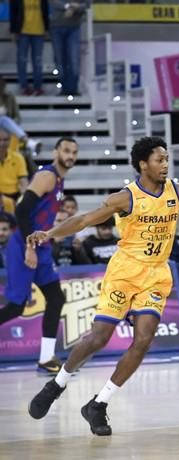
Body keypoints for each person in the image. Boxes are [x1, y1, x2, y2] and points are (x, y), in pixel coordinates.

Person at [26, 136, 179, 436]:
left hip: (156, 274)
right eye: (159, 159)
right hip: (125, 272)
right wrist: (49, 233)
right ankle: (57, 384)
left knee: (143, 341)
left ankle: (98, 404)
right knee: (98, 338)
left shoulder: (178, 190)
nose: (165, 164)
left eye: (167, 158)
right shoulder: (125, 197)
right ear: (143, 164)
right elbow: (83, 221)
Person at [0, 137, 78, 373]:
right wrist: (29, 246)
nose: (71, 155)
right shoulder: (47, 176)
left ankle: (46, 357)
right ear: (56, 152)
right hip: (25, 245)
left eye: (74, 152)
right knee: (16, 307)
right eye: (66, 150)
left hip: (40, 245)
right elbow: (22, 210)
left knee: (56, 299)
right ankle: (45, 356)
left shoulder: (60, 180)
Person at [9, 0, 49, 96]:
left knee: (37, 61)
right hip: (22, 31)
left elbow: (45, 10)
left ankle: (38, 87)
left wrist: (46, 28)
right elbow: (13, 12)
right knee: (22, 60)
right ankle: (24, 87)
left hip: (39, 30)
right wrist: (13, 31)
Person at [49, 0, 89, 96]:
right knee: (60, 59)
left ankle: (73, 88)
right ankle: (64, 88)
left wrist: (75, 7)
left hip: (74, 27)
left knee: (74, 58)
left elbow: (87, 4)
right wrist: (68, 6)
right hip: (56, 27)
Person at [0, 127, 29, 202]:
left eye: (5, 140)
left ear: (10, 141)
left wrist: (24, 195)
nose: (2, 143)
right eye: (0, 140)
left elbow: (23, 180)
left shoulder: (18, 158)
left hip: (14, 195)